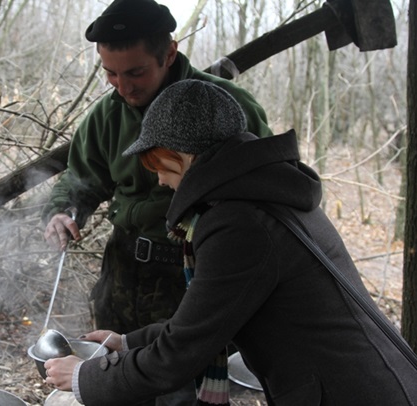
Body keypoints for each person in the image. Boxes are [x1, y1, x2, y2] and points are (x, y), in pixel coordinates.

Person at [43, 79, 417, 405]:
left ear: (183, 153)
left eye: (158, 164)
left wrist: (85, 378)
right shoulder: (265, 193)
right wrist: (125, 343)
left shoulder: (238, 222)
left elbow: (181, 353)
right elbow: (207, 320)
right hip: (371, 381)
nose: (159, 181)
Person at [42, 0, 271, 336]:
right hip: (122, 270)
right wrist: (63, 211)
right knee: (115, 374)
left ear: (169, 54)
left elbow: (261, 198)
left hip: (195, 272)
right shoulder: (106, 116)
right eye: (111, 73)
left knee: (183, 375)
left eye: (136, 72)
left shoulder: (226, 108)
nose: (123, 87)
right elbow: (80, 181)